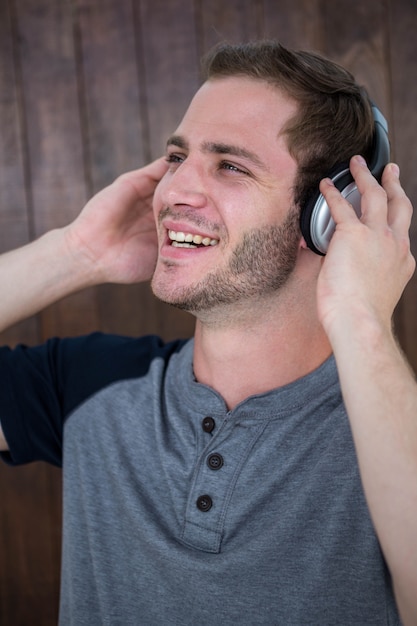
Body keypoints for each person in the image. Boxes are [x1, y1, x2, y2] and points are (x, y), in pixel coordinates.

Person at [0, 40, 416, 625]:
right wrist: (74, 254)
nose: (172, 193)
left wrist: (362, 319)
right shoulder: (89, 384)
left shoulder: (394, 432)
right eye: (177, 157)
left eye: (230, 165)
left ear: (324, 217)